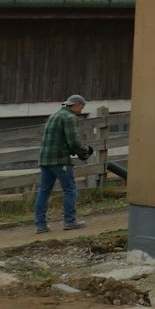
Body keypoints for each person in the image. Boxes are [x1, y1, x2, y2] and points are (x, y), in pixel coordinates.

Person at [35, 94, 93, 234]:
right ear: (77, 104)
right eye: (82, 107)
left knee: (44, 191)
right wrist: (85, 151)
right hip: (60, 159)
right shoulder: (69, 117)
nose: (81, 111)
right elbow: (73, 141)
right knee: (70, 189)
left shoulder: (54, 116)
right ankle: (70, 221)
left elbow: (60, 139)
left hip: (45, 159)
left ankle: (40, 225)